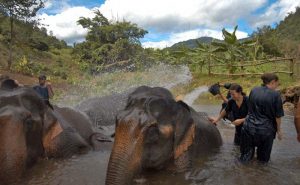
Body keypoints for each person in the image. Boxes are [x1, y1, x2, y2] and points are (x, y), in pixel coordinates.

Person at [240, 73, 284, 163]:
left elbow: (250, 109)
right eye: (277, 84)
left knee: (245, 157)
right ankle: (261, 176)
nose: (276, 86)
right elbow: (278, 116)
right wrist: (279, 130)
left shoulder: (254, 90)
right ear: (272, 82)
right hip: (266, 131)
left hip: (248, 127)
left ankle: (242, 174)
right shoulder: (276, 95)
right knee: (262, 161)